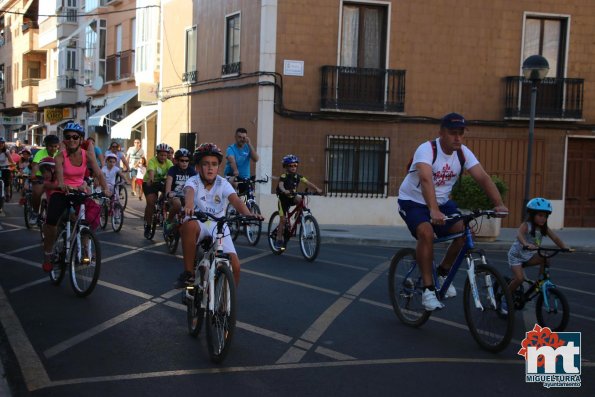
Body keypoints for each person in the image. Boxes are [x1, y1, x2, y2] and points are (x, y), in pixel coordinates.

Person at [397, 112, 508, 311]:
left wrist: (498, 204)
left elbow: (482, 177)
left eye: (461, 133)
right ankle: (429, 290)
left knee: (466, 234)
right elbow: (425, 179)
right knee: (426, 233)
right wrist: (433, 210)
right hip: (413, 201)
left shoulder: (463, 153)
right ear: (441, 133)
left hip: (441, 203)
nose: (457, 137)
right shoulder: (427, 149)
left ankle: (442, 271)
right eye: (452, 133)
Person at [175, 143, 262, 288]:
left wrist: (249, 214)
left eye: (214, 164)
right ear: (197, 167)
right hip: (199, 221)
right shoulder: (193, 181)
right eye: (206, 164)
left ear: (218, 167)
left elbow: (236, 200)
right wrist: (189, 206)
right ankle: (188, 273)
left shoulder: (223, 183)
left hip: (219, 225)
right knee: (188, 226)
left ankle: (226, 303)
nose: (210, 168)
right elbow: (189, 192)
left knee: (236, 266)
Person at [42, 122, 109, 272]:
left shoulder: (88, 155)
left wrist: (106, 189)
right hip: (62, 191)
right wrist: (62, 184)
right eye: (68, 137)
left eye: (75, 137)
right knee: (51, 221)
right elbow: (59, 176)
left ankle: (85, 247)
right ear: (64, 140)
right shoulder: (60, 156)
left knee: (89, 218)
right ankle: (48, 253)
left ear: (80, 139)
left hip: (79, 191)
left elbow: (98, 173)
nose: (71, 139)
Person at [502, 198, 570, 314]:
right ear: (532, 215)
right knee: (519, 279)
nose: (543, 218)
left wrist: (564, 247)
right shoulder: (526, 225)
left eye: (545, 216)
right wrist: (525, 244)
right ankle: (505, 298)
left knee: (546, 257)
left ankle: (540, 282)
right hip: (516, 257)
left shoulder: (544, 228)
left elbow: (555, 238)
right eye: (540, 215)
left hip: (528, 256)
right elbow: (519, 235)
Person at [274, 154, 323, 251]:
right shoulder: (284, 176)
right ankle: (278, 239)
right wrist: (284, 190)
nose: (293, 167)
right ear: (286, 167)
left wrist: (317, 189)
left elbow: (307, 183)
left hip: (292, 197)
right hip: (283, 200)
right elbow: (280, 185)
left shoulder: (298, 176)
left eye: (295, 165)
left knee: (300, 199)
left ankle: (298, 214)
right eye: (290, 166)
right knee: (283, 220)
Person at [143, 143, 173, 239]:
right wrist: (151, 179)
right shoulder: (152, 161)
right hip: (149, 183)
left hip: (161, 182)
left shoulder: (169, 163)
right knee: (151, 203)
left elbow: (172, 174)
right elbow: (151, 172)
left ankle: (161, 203)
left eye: (165, 155)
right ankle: (148, 225)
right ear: (157, 154)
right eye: (161, 155)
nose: (163, 157)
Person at [164, 148, 196, 234]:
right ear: (177, 160)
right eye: (182, 160)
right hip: (174, 195)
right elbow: (169, 182)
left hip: (186, 196)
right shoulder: (172, 169)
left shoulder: (191, 171)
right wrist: (168, 193)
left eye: (187, 160)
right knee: (177, 204)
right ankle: (169, 221)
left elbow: (197, 184)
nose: (184, 163)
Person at [30, 135, 61, 223]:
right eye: (51, 146)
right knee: (36, 193)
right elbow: (35, 165)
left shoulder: (59, 153)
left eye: (55, 146)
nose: (53, 148)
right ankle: (35, 213)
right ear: (46, 146)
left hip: (55, 178)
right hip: (41, 177)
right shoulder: (40, 153)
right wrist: (33, 175)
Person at [0, 137, 16, 203]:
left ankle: (7, 195)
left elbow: (11, 160)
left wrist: (13, 164)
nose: (1, 144)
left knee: (7, 183)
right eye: (0, 143)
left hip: (5, 168)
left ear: (4, 144)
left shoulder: (6, 151)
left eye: (2, 143)